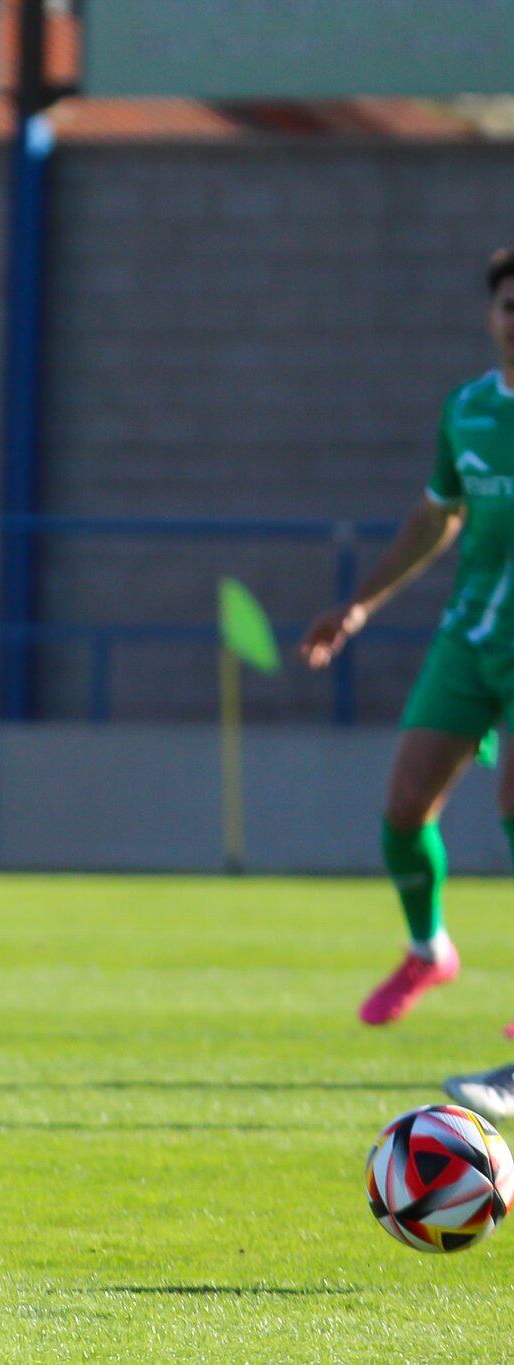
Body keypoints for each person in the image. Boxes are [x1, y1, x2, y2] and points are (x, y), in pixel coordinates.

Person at [302, 248, 514, 1030]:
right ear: (492, 318)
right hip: (472, 635)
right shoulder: (468, 410)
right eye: (509, 306)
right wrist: (357, 606)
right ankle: (429, 948)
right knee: (403, 805)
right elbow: (436, 516)